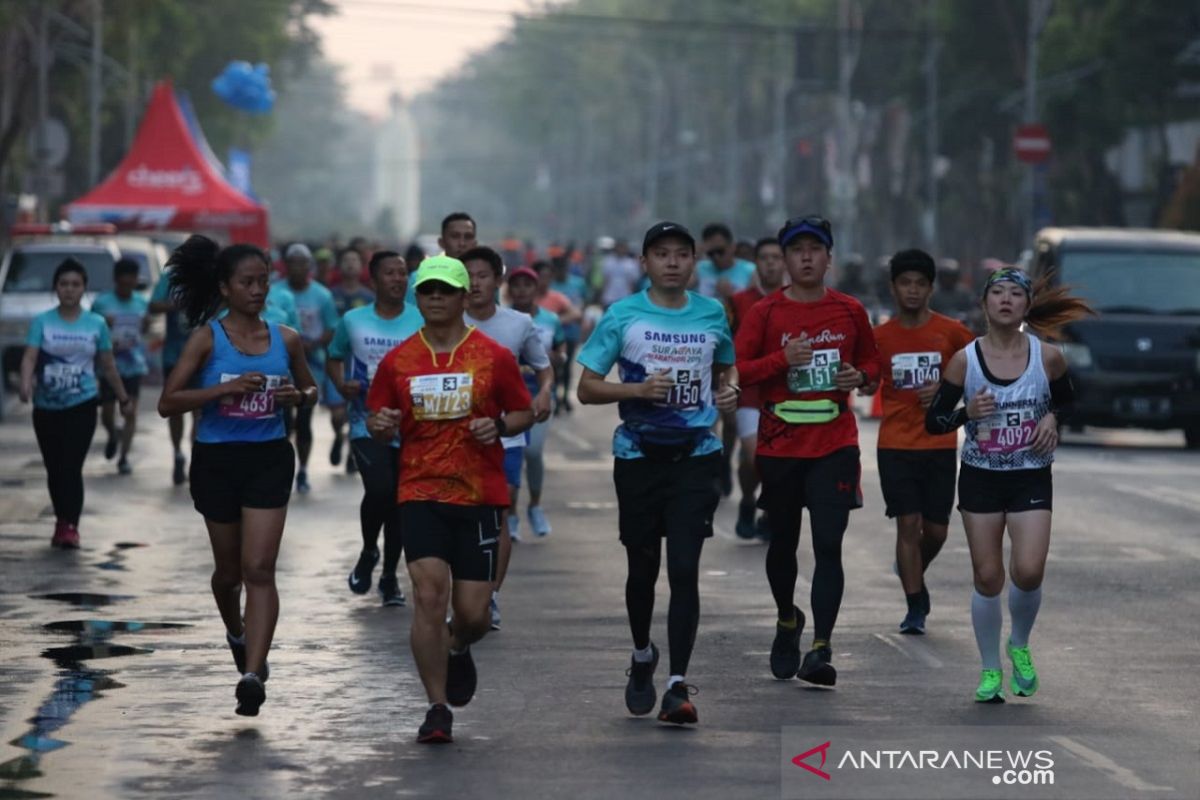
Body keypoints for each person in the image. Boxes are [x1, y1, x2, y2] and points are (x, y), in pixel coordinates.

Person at [366, 256, 533, 744]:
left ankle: (459, 646)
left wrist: (499, 425)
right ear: (417, 299)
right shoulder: (398, 360)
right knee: (428, 596)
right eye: (427, 291)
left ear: (465, 297)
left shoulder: (493, 356)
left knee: (474, 614)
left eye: (445, 290)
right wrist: (380, 426)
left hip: (479, 496)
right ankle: (437, 707)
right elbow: (379, 417)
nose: (435, 299)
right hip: (420, 491)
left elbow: (524, 412)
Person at [577, 221, 739, 726]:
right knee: (643, 568)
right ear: (644, 264)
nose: (672, 262)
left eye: (681, 254)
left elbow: (725, 370)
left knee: (685, 569)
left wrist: (728, 393)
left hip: (697, 456)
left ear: (694, 263)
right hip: (639, 457)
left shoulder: (712, 313)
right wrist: (638, 391)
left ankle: (677, 685)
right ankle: (644, 654)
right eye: (661, 254)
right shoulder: (622, 316)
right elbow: (586, 388)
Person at [157, 235, 317, 716]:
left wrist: (298, 397)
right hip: (217, 461)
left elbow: (310, 388)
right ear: (225, 288)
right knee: (229, 575)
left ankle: (253, 673)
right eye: (247, 282)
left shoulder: (286, 338)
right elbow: (168, 402)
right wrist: (220, 393)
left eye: (263, 282)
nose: (257, 290)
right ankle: (236, 631)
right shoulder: (208, 338)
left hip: (268, 457)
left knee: (259, 570)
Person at [925, 266, 1088, 703]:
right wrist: (967, 415)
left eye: (1015, 294)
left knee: (1029, 571)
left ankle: (1019, 643)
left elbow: (1071, 403)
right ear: (984, 304)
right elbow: (935, 420)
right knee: (988, 576)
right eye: (996, 292)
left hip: (1030, 474)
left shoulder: (1047, 357)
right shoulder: (965, 359)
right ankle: (990, 669)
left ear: (1026, 306)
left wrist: (1053, 416)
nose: (1005, 300)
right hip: (981, 477)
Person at [735, 215, 880, 687]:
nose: (805, 257)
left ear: (828, 257)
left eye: (814, 250)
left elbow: (873, 367)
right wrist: (784, 360)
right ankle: (785, 619)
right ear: (784, 259)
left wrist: (858, 377)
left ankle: (821, 646)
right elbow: (739, 370)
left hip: (834, 444)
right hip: (779, 445)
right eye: (796, 250)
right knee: (782, 544)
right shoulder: (766, 313)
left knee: (828, 546)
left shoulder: (850, 310)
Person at [872, 249, 974, 634]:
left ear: (930, 288)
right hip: (895, 444)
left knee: (936, 530)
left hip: (939, 444)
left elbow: (977, 373)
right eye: (905, 283)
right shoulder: (880, 336)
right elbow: (865, 377)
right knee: (907, 524)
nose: (912, 291)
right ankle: (915, 604)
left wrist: (949, 390)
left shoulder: (952, 333)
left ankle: (910, 569)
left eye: (919, 284)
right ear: (893, 288)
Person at [461, 245, 553, 630]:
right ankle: (464, 593)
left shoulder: (518, 324)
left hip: (507, 436)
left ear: (498, 281)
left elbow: (543, 368)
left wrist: (544, 392)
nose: (475, 283)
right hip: (455, 438)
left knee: (501, 513)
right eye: (468, 276)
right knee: (463, 519)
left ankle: (491, 595)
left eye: (483, 275)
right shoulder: (444, 322)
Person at [327, 251, 424, 606]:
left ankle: (389, 578)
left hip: (410, 424)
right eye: (390, 273)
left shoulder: (420, 319)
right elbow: (334, 356)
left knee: (401, 500)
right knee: (381, 490)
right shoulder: (353, 320)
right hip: (365, 420)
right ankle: (370, 550)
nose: (398, 279)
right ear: (374, 280)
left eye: (402, 273)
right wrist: (341, 385)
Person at [19, 259, 131, 549]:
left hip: (82, 404)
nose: (69, 290)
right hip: (46, 407)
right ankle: (61, 520)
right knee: (55, 469)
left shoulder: (95, 324)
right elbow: (30, 356)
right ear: (56, 288)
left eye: (75, 284)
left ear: (84, 289)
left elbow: (107, 363)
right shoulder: (42, 321)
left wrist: (122, 398)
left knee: (71, 466)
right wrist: (25, 383)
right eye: (64, 284)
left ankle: (71, 525)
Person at [728, 237, 786, 540]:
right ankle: (749, 500)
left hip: (787, 393)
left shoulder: (796, 300)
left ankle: (770, 512)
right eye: (764, 257)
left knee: (781, 461)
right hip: (750, 391)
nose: (771, 263)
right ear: (756, 263)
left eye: (777, 257)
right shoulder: (739, 301)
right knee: (753, 457)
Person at [508, 265, 565, 537]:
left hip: (540, 395)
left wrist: (557, 359)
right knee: (512, 457)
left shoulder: (551, 320)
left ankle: (535, 506)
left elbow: (560, 350)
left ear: (536, 289)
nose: (521, 290)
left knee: (532, 452)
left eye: (526, 285)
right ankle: (510, 516)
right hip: (510, 397)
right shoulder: (502, 319)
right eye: (515, 285)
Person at [284, 243, 339, 493]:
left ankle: (303, 470)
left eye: (302, 262)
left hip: (311, 363)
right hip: (281, 365)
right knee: (284, 420)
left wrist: (313, 343)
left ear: (309, 266)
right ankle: (282, 467)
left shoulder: (322, 295)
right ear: (285, 265)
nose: (297, 267)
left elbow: (331, 328)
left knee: (304, 418)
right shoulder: (275, 292)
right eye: (292, 262)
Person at [92, 258, 149, 475]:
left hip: (133, 365)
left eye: (131, 282)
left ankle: (124, 457)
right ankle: (113, 434)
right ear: (116, 280)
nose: (127, 286)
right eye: (123, 283)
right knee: (107, 413)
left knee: (130, 412)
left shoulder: (141, 302)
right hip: (108, 366)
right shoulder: (101, 303)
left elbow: (145, 329)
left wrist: (143, 325)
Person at [150, 264, 195, 485]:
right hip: (174, 356)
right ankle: (178, 453)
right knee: (175, 408)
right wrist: (175, 304)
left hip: (204, 356)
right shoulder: (169, 278)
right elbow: (153, 305)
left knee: (201, 408)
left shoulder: (212, 276)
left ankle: (198, 456)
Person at [548, 258, 589, 411]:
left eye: (564, 269)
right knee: (555, 367)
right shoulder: (551, 286)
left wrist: (582, 320)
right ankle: (555, 397)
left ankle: (565, 397)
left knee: (567, 366)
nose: (562, 273)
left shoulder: (578, 283)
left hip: (571, 332)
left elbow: (584, 302)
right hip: (555, 335)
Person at [694, 223, 757, 301]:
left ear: (733, 246)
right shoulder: (699, 269)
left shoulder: (751, 271)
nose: (716, 257)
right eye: (710, 253)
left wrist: (731, 296)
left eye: (720, 251)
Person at [599, 240, 641, 309]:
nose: (621, 250)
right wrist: (602, 296)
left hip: (625, 297)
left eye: (623, 248)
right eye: (619, 247)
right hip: (609, 297)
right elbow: (605, 280)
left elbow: (632, 283)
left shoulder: (631, 264)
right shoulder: (608, 261)